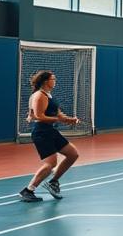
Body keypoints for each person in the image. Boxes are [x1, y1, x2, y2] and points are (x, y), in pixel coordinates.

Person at [20, 70, 80, 202]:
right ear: (46, 81)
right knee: (51, 163)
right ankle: (28, 190)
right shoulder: (39, 96)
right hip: (41, 132)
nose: (55, 81)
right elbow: (39, 116)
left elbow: (58, 114)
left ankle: (53, 182)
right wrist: (57, 120)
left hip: (50, 131)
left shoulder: (49, 95)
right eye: (53, 79)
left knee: (73, 154)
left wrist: (70, 120)